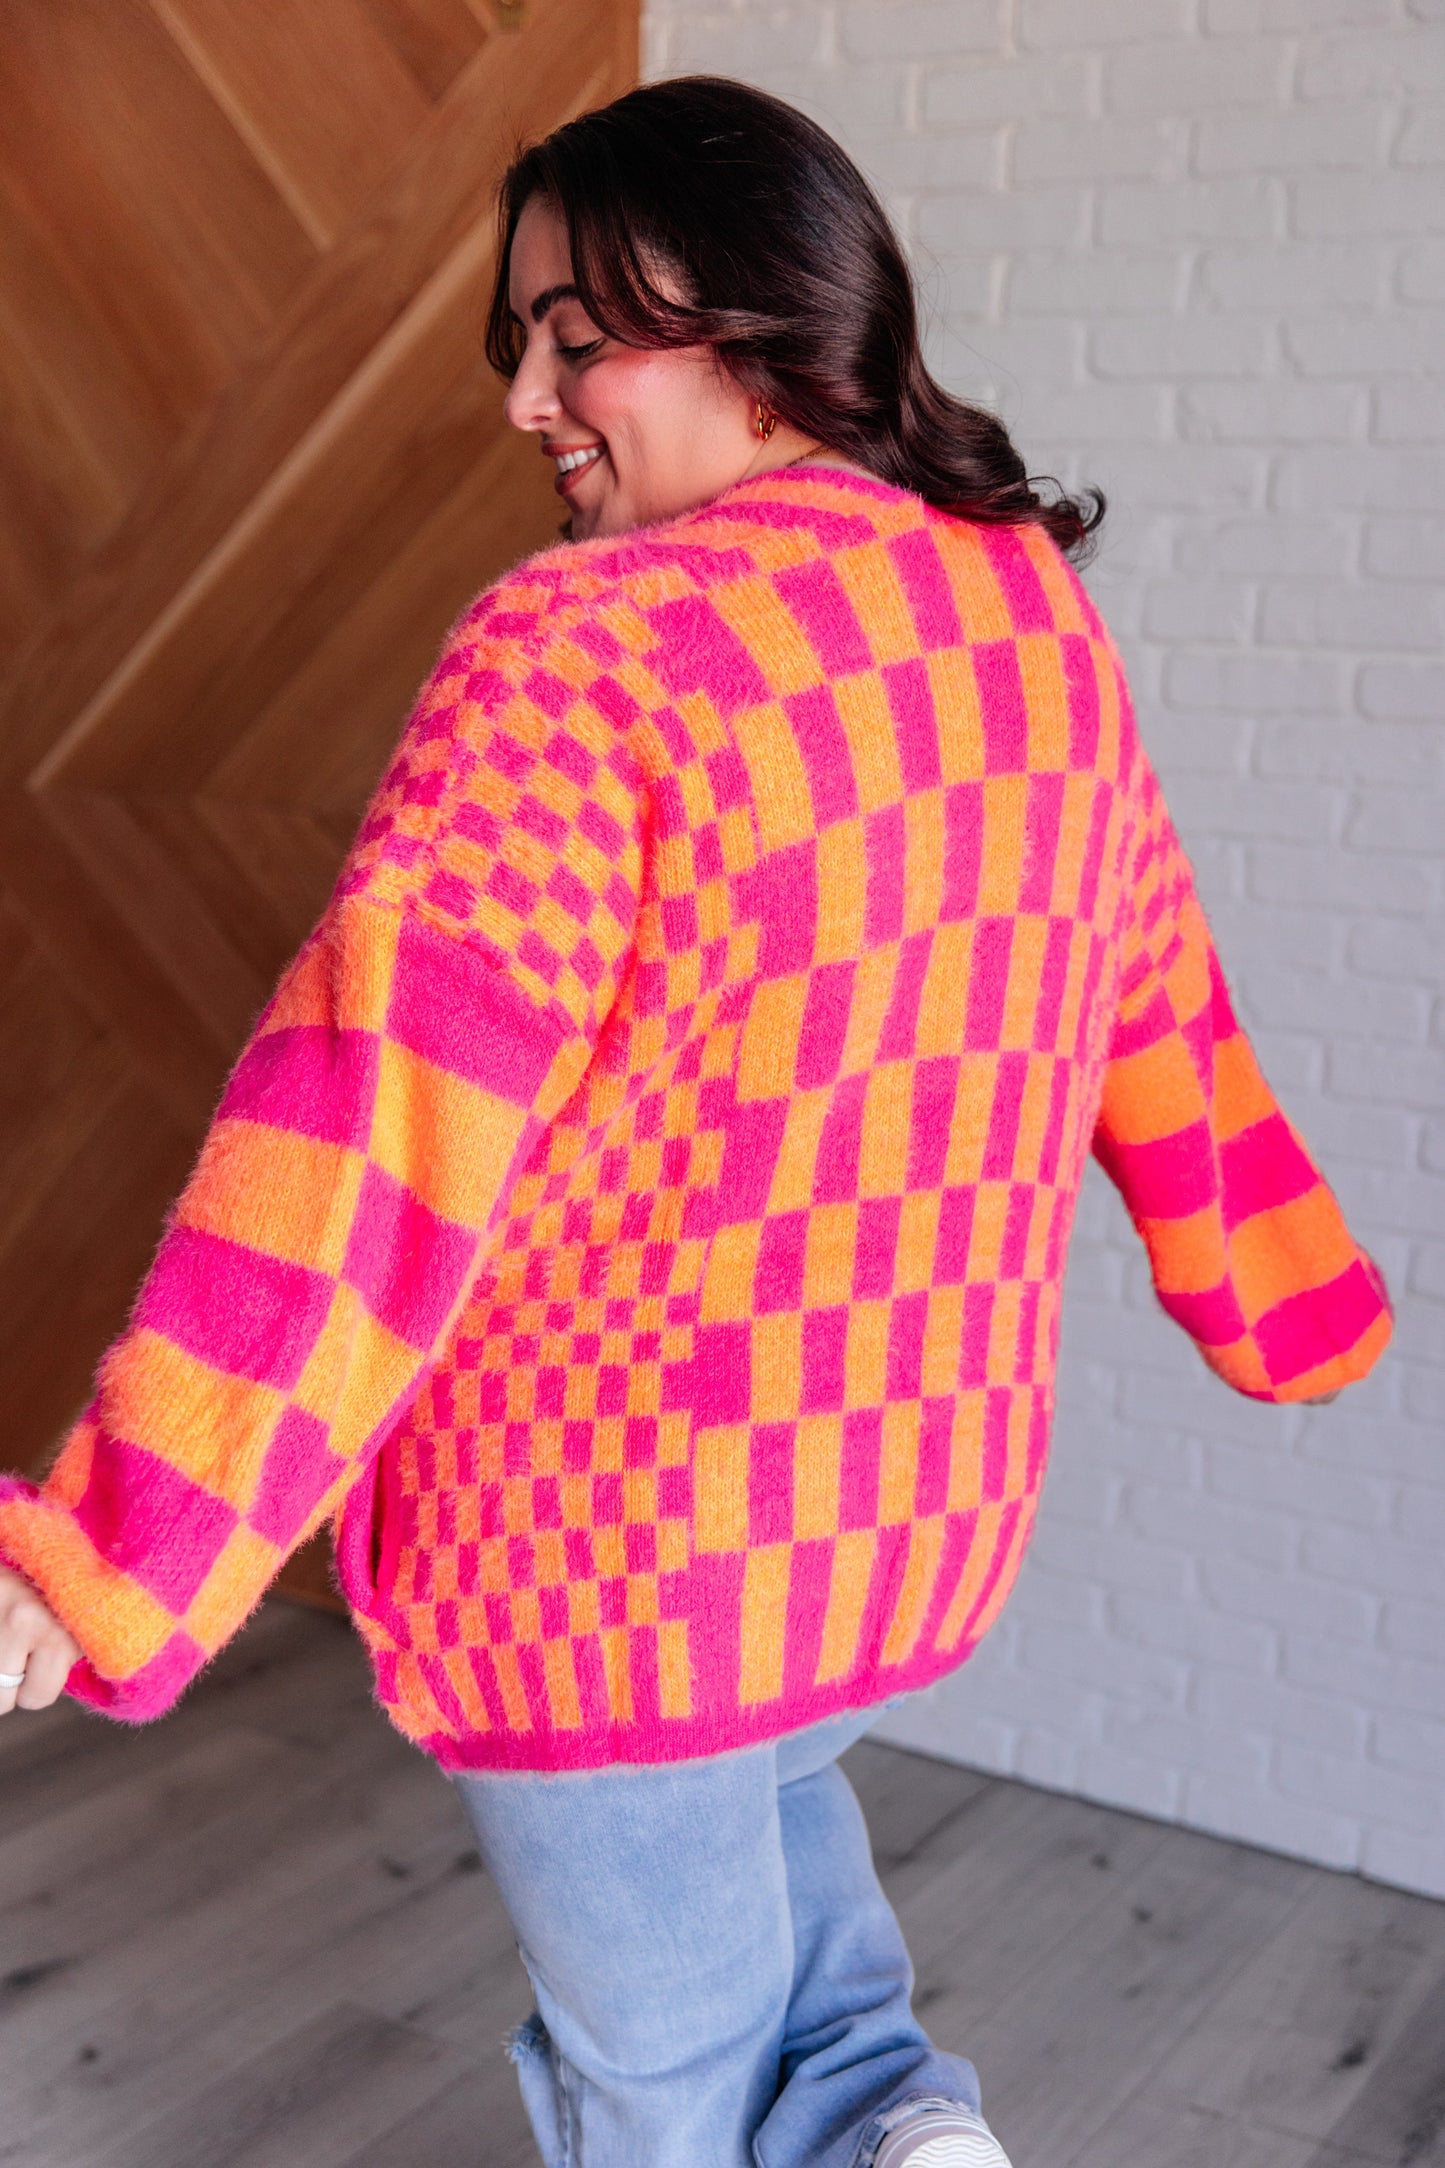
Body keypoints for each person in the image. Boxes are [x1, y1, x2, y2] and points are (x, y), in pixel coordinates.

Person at [0, 74, 1390, 2168]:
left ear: (754, 317)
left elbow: (369, 1135)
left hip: (610, 1563)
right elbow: (1157, 1001)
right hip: (890, 1525)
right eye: (519, 345)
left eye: (575, 338)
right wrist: (1284, 1295)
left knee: (666, 2087)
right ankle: (900, 2128)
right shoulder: (1018, 613)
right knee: (781, 1865)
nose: (524, 401)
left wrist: (113, 1550)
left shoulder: (586, 654)